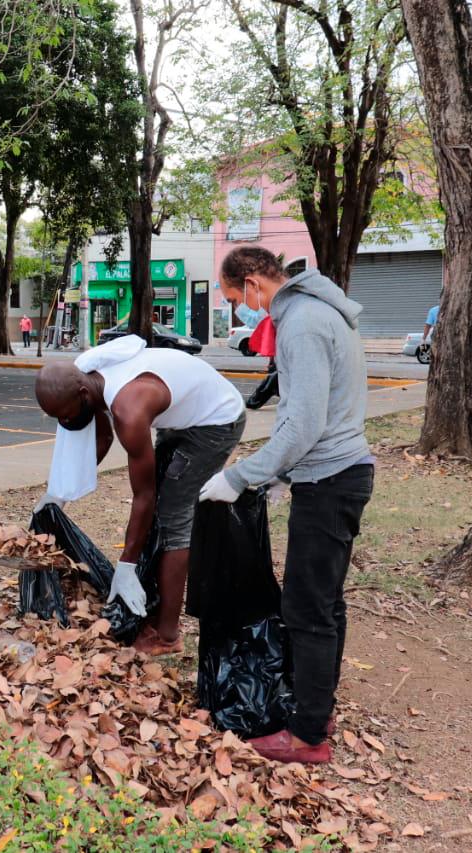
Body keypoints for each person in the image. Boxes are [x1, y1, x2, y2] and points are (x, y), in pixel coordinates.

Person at [200, 246, 372, 765]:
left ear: (253, 283)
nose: (238, 310)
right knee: (325, 602)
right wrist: (280, 475)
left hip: (330, 478)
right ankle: (317, 707)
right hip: (334, 473)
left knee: (306, 609)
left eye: (236, 298)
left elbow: (303, 426)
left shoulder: (302, 323)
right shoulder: (315, 313)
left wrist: (239, 475)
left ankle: (308, 737)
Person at [34, 336, 245, 655]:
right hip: (180, 414)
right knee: (161, 508)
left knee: (173, 516)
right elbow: (100, 438)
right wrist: (58, 495)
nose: (66, 422)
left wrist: (127, 565)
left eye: (66, 415)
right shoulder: (87, 376)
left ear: (81, 394)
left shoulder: (130, 410)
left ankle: (167, 634)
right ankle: (154, 606)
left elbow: (143, 495)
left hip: (216, 421)